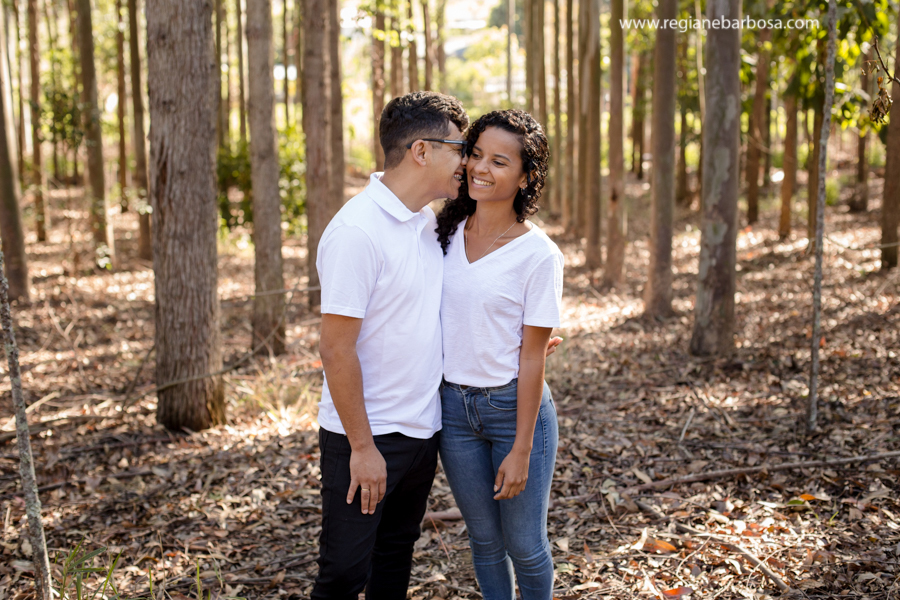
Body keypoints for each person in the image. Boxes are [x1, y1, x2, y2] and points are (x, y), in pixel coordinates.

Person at [312, 91, 470, 599]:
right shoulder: (357, 232)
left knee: (394, 557)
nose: (466, 162)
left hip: (423, 431)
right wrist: (362, 448)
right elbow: (336, 349)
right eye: (459, 148)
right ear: (422, 151)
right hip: (366, 436)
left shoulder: (428, 222)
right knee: (342, 576)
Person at [434, 109, 564, 600]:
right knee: (485, 542)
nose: (480, 168)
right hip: (453, 411)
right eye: (475, 154)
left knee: (525, 545)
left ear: (526, 177)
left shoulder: (539, 255)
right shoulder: (440, 235)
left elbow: (533, 358)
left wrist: (523, 448)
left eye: (499, 161)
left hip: (513, 411)